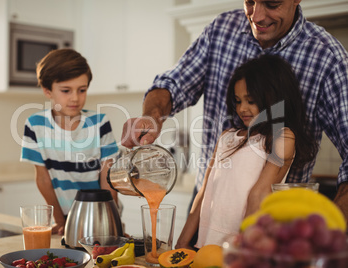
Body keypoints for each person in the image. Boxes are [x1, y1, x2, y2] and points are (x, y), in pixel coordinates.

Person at [121, 0, 348, 224]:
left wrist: (330, 228)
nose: (257, 16)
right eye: (249, 1)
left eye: (272, 3)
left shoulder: (328, 58)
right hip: (207, 206)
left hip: (274, 222)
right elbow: (173, 83)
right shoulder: (221, 29)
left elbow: (257, 197)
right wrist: (152, 115)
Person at [175, 54, 318, 248]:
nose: (242, 108)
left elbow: (258, 195)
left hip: (241, 245)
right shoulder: (227, 136)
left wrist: (240, 250)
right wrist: (182, 242)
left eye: (250, 101)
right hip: (205, 243)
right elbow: (205, 190)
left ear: (273, 98)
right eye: (238, 100)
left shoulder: (282, 136)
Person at [21, 49, 119, 235]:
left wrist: (113, 225)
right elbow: (43, 179)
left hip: (101, 215)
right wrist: (60, 220)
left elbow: (109, 179)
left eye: (82, 90)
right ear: (47, 91)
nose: (75, 98)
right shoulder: (35, 125)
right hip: (64, 216)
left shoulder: (100, 123)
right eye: (66, 90)